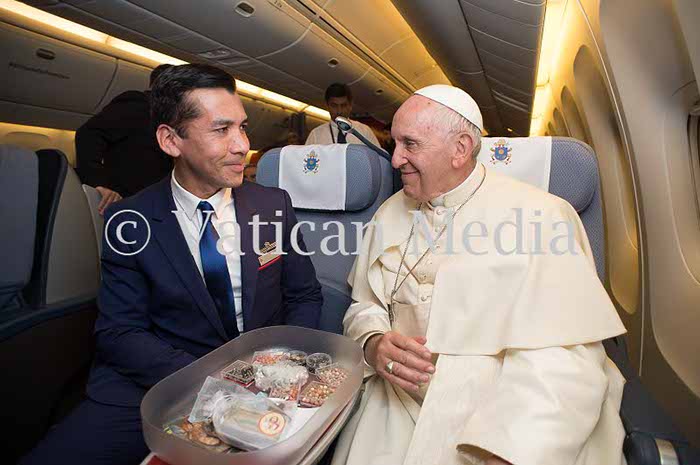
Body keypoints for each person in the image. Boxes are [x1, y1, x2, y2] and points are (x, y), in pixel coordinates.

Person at [21, 64, 323, 465]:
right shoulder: (130, 220)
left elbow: (304, 295)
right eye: (221, 130)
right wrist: (214, 381)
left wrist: (283, 368)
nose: (242, 146)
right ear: (170, 140)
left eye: (243, 128)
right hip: (158, 381)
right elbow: (119, 331)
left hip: (265, 376)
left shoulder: (273, 205)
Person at [332, 84, 627, 465]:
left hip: (498, 404)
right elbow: (364, 305)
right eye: (395, 143)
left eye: (410, 144)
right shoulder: (389, 212)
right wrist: (374, 343)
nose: (395, 159)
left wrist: (509, 449)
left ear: (460, 148)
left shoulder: (543, 216)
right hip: (394, 396)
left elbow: (567, 359)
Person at [75, 64, 174, 214]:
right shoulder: (138, 103)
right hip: (126, 201)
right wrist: (97, 183)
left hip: (153, 202)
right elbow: (89, 134)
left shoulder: (169, 118)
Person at [305, 83, 381, 146]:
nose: (339, 111)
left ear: (350, 105)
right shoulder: (315, 135)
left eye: (343, 105)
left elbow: (377, 157)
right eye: (334, 106)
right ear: (327, 106)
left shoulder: (364, 132)